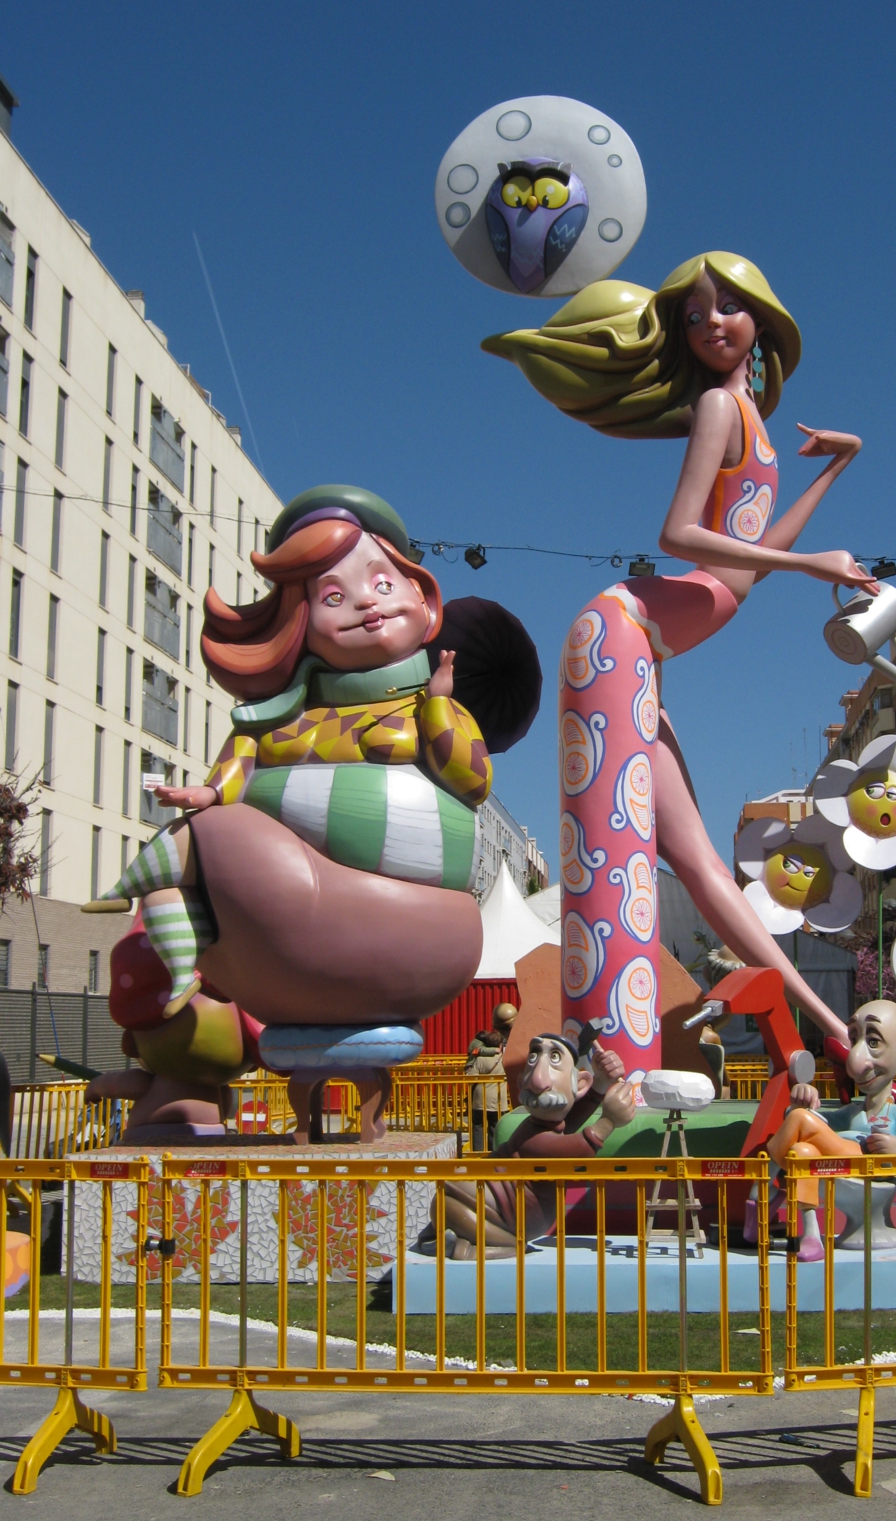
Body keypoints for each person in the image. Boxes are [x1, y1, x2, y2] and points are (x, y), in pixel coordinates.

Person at [485, 255, 872, 1076]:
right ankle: (608, 1069)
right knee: (645, 854)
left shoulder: (746, 417)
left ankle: (827, 1028)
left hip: (641, 652)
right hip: (622, 631)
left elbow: (754, 558)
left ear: (760, 318)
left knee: (694, 860)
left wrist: (837, 468)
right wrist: (820, 568)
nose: (710, 325)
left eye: (726, 308)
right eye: (695, 316)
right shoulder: (715, 405)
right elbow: (680, 538)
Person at [82, 485, 539, 1142]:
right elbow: (240, 759)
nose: (364, 602)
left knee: (211, 835)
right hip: (285, 938)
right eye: (332, 596)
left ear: (420, 594)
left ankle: (153, 903)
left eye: (381, 580)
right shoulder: (277, 721)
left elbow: (470, 778)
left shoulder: (428, 707)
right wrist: (213, 791)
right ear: (300, 623)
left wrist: (438, 703)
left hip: (419, 927)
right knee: (211, 825)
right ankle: (178, 931)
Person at [416, 1027, 635, 1259]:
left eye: (554, 1058)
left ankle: (505, 1244)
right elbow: (569, 1125)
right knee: (450, 1197)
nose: (538, 1079)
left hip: (518, 1213)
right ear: (521, 1081)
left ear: (580, 1085)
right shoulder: (537, 1128)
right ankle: (454, 1237)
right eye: (533, 1057)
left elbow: (575, 1149)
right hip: (508, 1203)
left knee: (444, 1205)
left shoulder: (537, 1138)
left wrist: (607, 1121)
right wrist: (600, 1089)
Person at [764, 1000, 896, 1258]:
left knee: (800, 1121)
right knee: (802, 1149)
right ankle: (811, 1235)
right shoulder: (851, 1113)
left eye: (874, 1042)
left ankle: (763, 1189)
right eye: (854, 1039)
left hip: (872, 1174)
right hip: (840, 1170)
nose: (856, 1061)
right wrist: (803, 1100)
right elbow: (816, 1122)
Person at [463, 1027, 508, 1151]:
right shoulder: (504, 1059)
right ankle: (494, 1153)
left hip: (480, 1100)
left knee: (478, 1126)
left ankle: (478, 1154)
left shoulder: (480, 1059)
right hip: (499, 1101)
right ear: (500, 1044)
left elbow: (470, 1078)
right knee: (495, 1127)